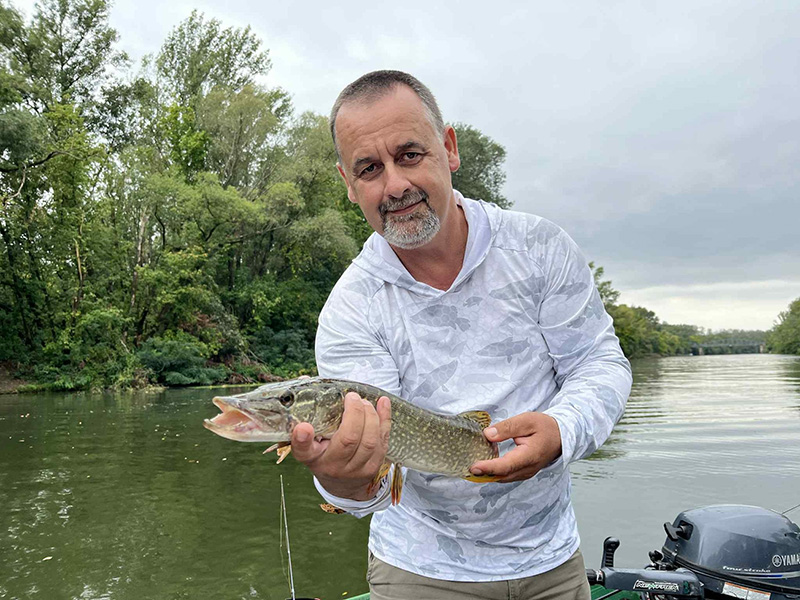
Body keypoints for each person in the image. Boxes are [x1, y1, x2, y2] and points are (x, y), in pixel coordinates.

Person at [290, 70, 632, 600]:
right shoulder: (351, 309)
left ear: (448, 148)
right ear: (349, 185)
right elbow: (375, 488)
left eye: (409, 155)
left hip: (552, 559)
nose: (395, 186)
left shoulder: (539, 248)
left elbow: (598, 362)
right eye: (369, 168)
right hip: (418, 568)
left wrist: (562, 429)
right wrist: (342, 479)